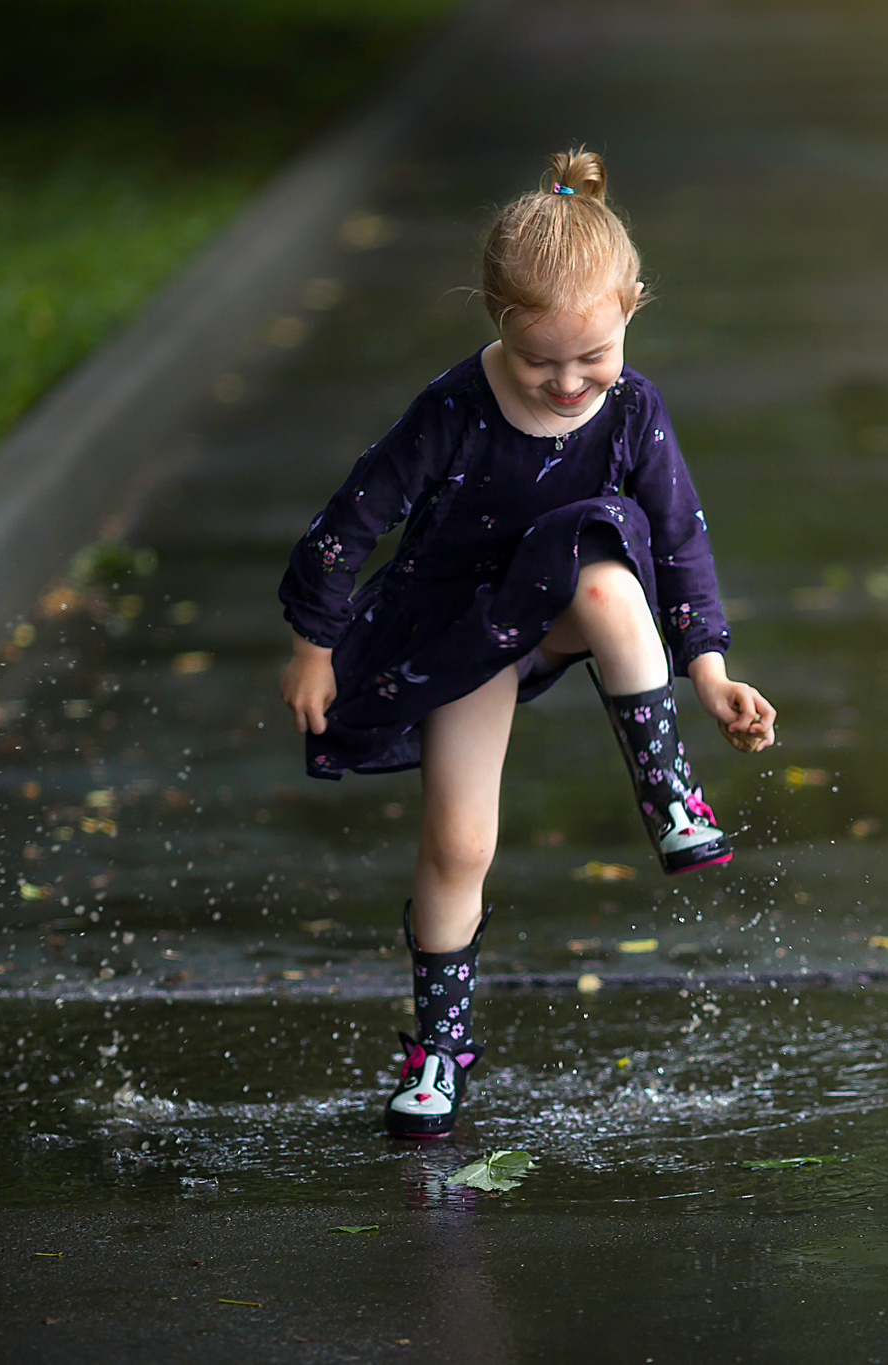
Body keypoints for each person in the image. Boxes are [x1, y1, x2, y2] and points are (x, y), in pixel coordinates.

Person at [277, 148, 776, 1139]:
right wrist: (314, 643)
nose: (566, 384)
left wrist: (711, 671)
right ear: (497, 319)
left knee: (601, 555)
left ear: (631, 306)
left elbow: (678, 540)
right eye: (542, 361)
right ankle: (438, 1054)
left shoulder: (632, 410)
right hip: (467, 631)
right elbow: (353, 517)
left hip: (578, 604)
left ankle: (668, 792)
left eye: (591, 358)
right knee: (459, 843)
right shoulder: (454, 410)